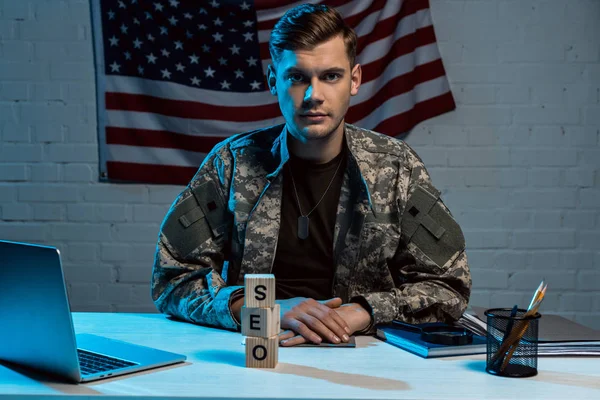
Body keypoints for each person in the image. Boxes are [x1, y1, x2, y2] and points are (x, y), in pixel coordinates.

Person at [151, 4, 471, 347]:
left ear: (355, 80)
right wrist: (264, 308)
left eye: (331, 76)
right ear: (274, 81)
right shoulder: (233, 163)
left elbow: (448, 286)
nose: (313, 95)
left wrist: (360, 312)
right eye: (297, 77)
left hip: (365, 356)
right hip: (259, 350)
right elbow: (173, 278)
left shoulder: (396, 168)